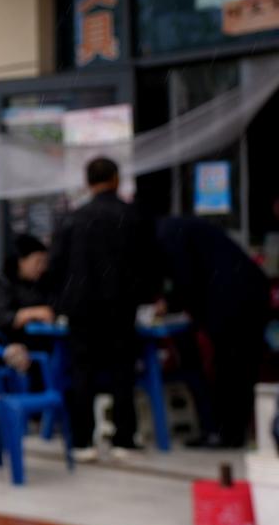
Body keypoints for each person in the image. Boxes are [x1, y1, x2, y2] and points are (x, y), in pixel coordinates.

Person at [46, 157, 162, 461]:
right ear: (115, 179)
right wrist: (149, 297)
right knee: (122, 371)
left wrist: (58, 303)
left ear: (87, 182)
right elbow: (150, 261)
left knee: (81, 373)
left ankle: (82, 441)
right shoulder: (132, 215)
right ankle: (124, 438)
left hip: (80, 309)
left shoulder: (72, 219)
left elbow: (55, 265)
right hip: (121, 306)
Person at [157, 215, 268, 448]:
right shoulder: (178, 228)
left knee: (231, 366)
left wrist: (170, 303)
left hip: (234, 298)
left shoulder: (167, 234)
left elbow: (185, 277)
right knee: (240, 366)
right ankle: (234, 431)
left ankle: (227, 434)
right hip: (247, 291)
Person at [0, 234, 56, 377]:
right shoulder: (1, 286)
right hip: (9, 351)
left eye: (45, 262)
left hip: (40, 344)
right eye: (38, 261)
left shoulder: (37, 285)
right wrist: (30, 314)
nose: (42, 267)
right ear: (21, 261)